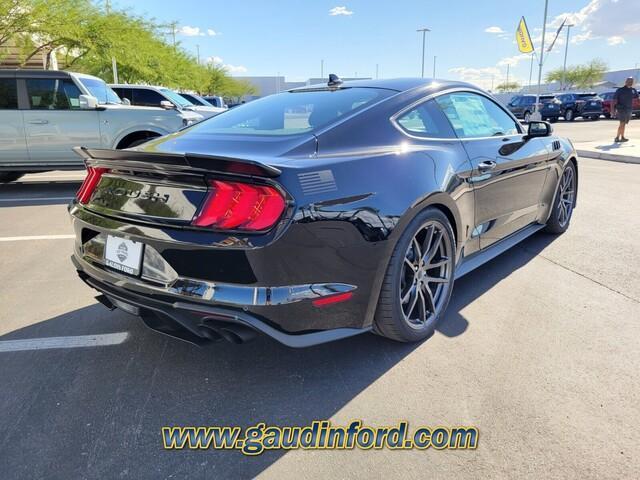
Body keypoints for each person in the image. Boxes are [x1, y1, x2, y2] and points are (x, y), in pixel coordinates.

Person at [613, 76, 635, 142]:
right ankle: (617, 137)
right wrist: (612, 110)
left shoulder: (632, 90)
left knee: (624, 123)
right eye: (629, 81)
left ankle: (622, 137)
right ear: (625, 82)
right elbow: (614, 100)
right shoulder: (620, 90)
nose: (630, 82)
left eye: (631, 81)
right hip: (621, 109)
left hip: (629, 109)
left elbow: (637, 97)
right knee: (622, 123)